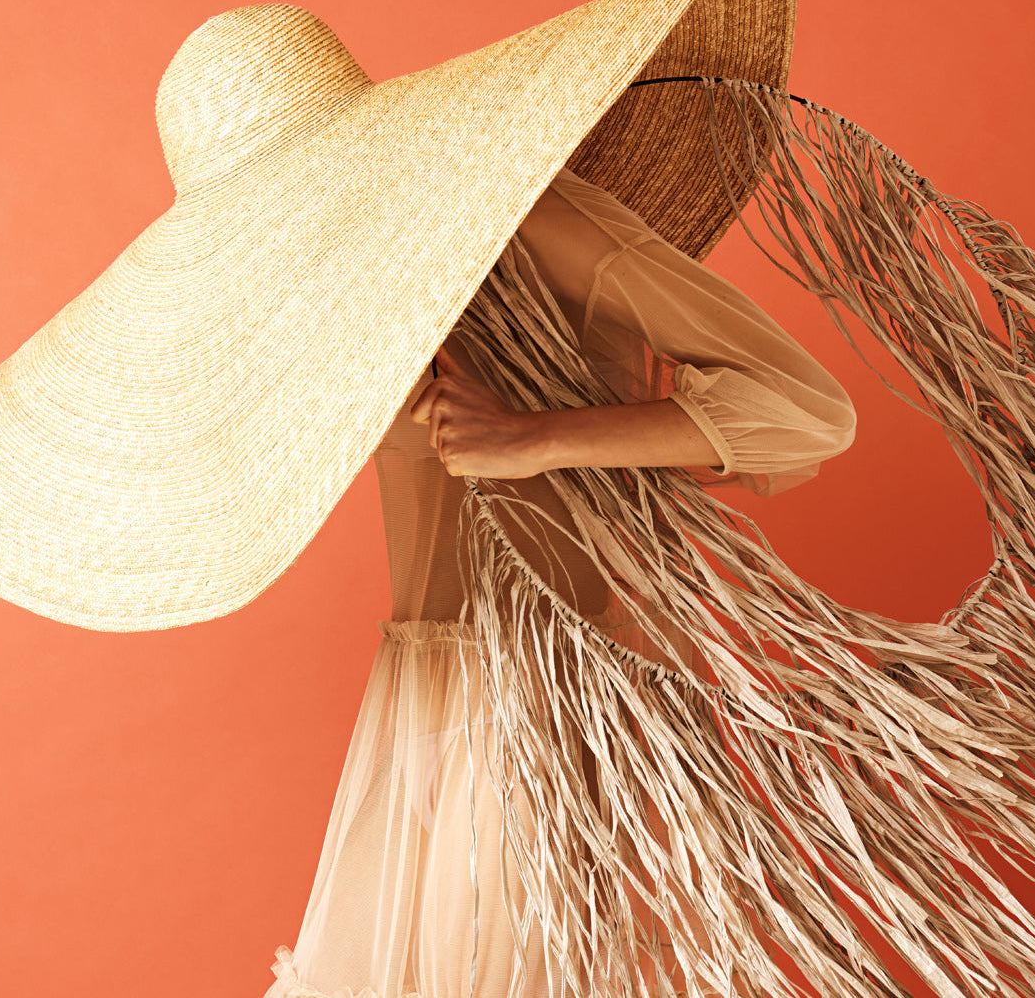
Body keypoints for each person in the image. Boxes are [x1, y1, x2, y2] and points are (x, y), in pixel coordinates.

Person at [263, 164, 856, 998]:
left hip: (539, 690)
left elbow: (804, 411)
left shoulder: (532, 217)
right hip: (413, 693)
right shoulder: (347, 274)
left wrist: (529, 437)